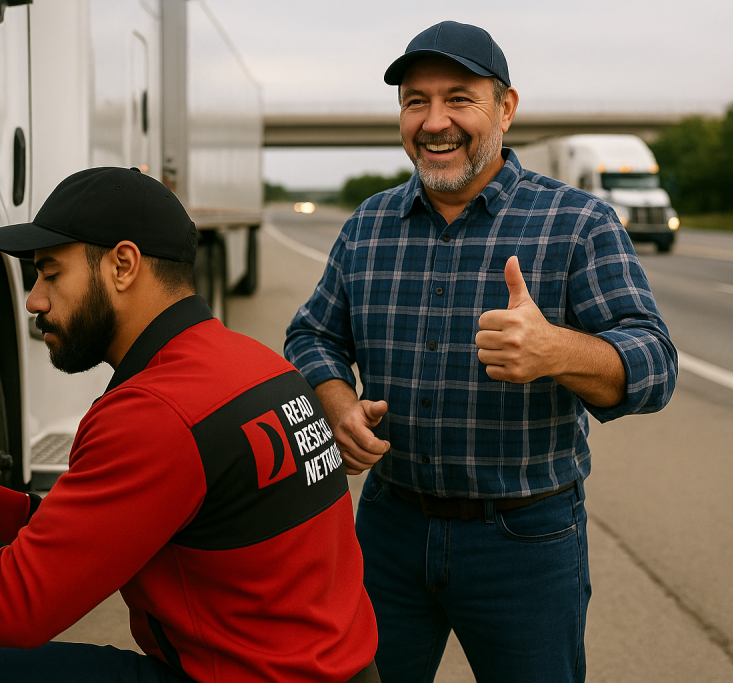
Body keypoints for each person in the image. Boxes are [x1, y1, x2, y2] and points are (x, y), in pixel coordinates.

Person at [0, 167, 379, 683]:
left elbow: (21, 603)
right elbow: (117, 530)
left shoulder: (155, 413)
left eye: (49, 272)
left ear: (123, 265)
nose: (33, 298)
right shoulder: (254, 366)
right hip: (334, 667)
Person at [284, 21, 677, 683]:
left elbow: (655, 362)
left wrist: (556, 348)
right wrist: (338, 402)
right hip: (388, 529)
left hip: (525, 539)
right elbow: (311, 334)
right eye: (415, 101)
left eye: (459, 98)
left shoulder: (578, 223)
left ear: (506, 108)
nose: (435, 121)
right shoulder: (369, 224)